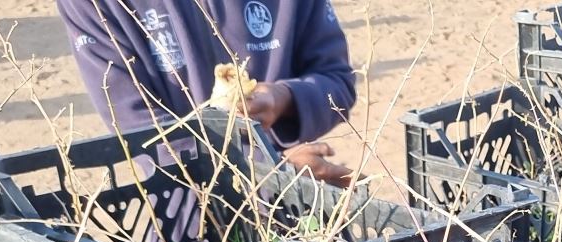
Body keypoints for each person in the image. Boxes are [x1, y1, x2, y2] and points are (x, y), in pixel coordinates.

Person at [56, 0, 356, 182]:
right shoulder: (95, 6)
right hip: (191, 226)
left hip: (304, 220)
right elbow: (144, 134)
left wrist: (284, 97)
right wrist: (274, 174)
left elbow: (337, 81)